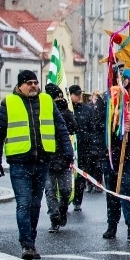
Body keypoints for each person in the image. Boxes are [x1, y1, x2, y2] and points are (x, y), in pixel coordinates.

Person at [0, 70, 73, 260]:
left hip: (42, 162)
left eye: (35, 82)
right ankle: (26, 244)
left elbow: (61, 128)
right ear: (20, 85)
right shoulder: (9, 103)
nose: (33, 86)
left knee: (36, 205)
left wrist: (68, 151)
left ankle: (31, 239)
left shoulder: (47, 101)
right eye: (29, 83)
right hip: (19, 163)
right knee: (24, 203)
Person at [102, 69, 130, 241]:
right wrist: (116, 123)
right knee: (112, 192)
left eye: (127, 78)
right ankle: (111, 226)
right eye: (120, 77)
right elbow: (100, 124)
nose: (124, 81)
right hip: (112, 154)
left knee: (128, 188)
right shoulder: (106, 99)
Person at [43, 83, 78, 233]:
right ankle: (54, 218)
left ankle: (62, 211)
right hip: (47, 158)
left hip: (63, 157)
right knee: (50, 191)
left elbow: (72, 128)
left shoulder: (63, 112)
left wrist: (63, 110)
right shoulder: (43, 110)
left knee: (65, 190)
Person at [69, 84, 98, 211]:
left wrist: (92, 146)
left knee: (80, 176)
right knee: (68, 176)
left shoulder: (87, 110)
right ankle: (66, 198)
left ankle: (77, 201)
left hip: (83, 148)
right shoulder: (67, 109)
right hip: (69, 148)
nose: (79, 96)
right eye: (76, 94)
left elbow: (92, 129)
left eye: (80, 94)